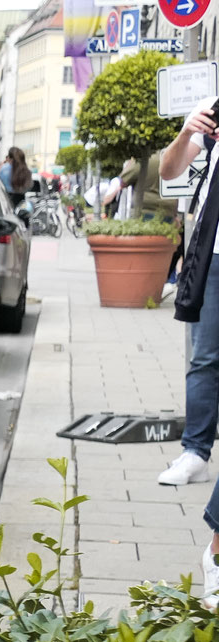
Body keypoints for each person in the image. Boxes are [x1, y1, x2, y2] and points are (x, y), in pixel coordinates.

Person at [161, 105, 219, 492]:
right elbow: (169, 170)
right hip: (216, 256)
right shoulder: (215, 104)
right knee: (204, 357)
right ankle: (195, 452)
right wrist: (186, 134)